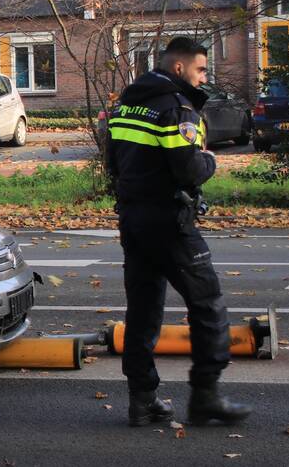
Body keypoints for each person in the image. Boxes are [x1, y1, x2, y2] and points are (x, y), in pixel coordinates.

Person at [106, 36, 252, 427]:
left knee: (143, 311)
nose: (204, 77)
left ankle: (142, 400)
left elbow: (113, 162)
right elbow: (188, 169)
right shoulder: (178, 108)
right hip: (171, 222)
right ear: (179, 68)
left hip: (133, 221)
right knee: (208, 306)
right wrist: (210, 160)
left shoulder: (128, 103)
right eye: (201, 69)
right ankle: (206, 395)